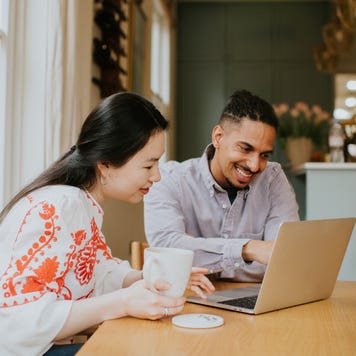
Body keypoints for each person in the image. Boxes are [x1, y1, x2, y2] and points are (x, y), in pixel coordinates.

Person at [0, 92, 214, 356]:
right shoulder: (57, 207)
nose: (157, 176)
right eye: (149, 165)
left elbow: (97, 272)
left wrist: (156, 278)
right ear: (105, 165)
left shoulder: (79, 204)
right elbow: (18, 321)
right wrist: (124, 302)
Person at [144, 89, 300, 282]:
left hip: (258, 303)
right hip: (191, 301)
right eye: (245, 148)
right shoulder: (170, 179)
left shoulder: (273, 178)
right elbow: (168, 250)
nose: (254, 165)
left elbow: (284, 259)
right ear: (218, 137)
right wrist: (248, 249)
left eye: (264, 155)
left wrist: (198, 251)